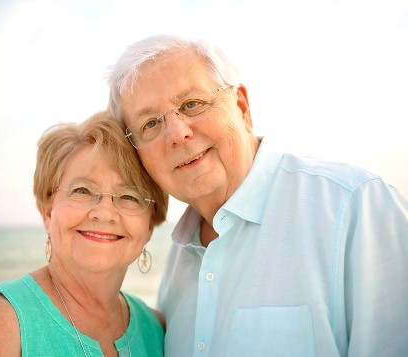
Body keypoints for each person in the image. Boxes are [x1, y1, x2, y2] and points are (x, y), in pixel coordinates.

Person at [106, 34, 408, 356]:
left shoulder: (356, 208)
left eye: (191, 104)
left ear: (242, 107)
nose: (177, 134)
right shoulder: (181, 256)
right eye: (150, 123)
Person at [0, 111, 168, 356]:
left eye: (129, 196)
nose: (104, 213)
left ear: (150, 225)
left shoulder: (155, 329)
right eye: (82, 191)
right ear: (47, 212)